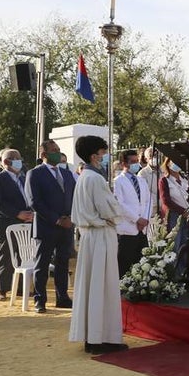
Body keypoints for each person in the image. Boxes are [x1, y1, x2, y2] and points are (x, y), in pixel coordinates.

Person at [68, 135, 130, 354]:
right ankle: (100, 338)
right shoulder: (94, 179)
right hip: (100, 234)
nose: (105, 157)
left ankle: (94, 335)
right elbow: (109, 209)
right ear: (94, 156)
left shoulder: (85, 176)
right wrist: (118, 214)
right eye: (103, 153)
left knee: (94, 286)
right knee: (103, 286)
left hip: (91, 235)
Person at [25, 140, 76, 312]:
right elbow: (35, 202)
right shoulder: (35, 174)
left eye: (59, 150)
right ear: (43, 154)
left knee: (63, 264)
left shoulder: (67, 174)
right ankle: (40, 299)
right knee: (42, 264)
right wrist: (56, 219)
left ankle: (62, 297)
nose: (58, 153)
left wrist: (70, 218)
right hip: (47, 226)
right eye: (54, 150)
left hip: (66, 226)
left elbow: (74, 198)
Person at [0, 148, 34, 302]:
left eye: (19, 157)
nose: (19, 161)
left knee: (23, 254)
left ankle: (21, 288)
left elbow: (28, 197)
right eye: (15, 158)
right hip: (7, 222)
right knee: (6, 255)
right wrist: (17, 214)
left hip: (25, 221)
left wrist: (30, 213)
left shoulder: (23, 178)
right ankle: (2, 289)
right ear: (6, 162)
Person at [112, 149, 151, 278]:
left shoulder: (141, 180)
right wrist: (137, 219)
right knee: (125, 263)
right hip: (127, 228)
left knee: (142, 263)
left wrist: (144, 219)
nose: (136, 164)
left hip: (142, 229)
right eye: (132, 162)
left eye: (137, 161)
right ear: (124, 163)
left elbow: (147, 201)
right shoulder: (118, 181)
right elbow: (120, 204)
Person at [157, 157, 189, 274]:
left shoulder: (185, 179)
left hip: (188, 216)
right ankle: (173, 275)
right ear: (168, 164)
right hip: (174, 216)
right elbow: (166, 201)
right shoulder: (164, 180)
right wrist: (182, 211)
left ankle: (184, 273)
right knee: (174, 246)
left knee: (185, 245)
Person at [137, 147, 161, 221]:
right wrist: (162, 201)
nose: (154, 157)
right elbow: (145, 193)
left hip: (165, 210)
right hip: (152, 211)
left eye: (156, 155)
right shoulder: (142, 174)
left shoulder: (164, 171)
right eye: (151, 156)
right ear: (146, 159)